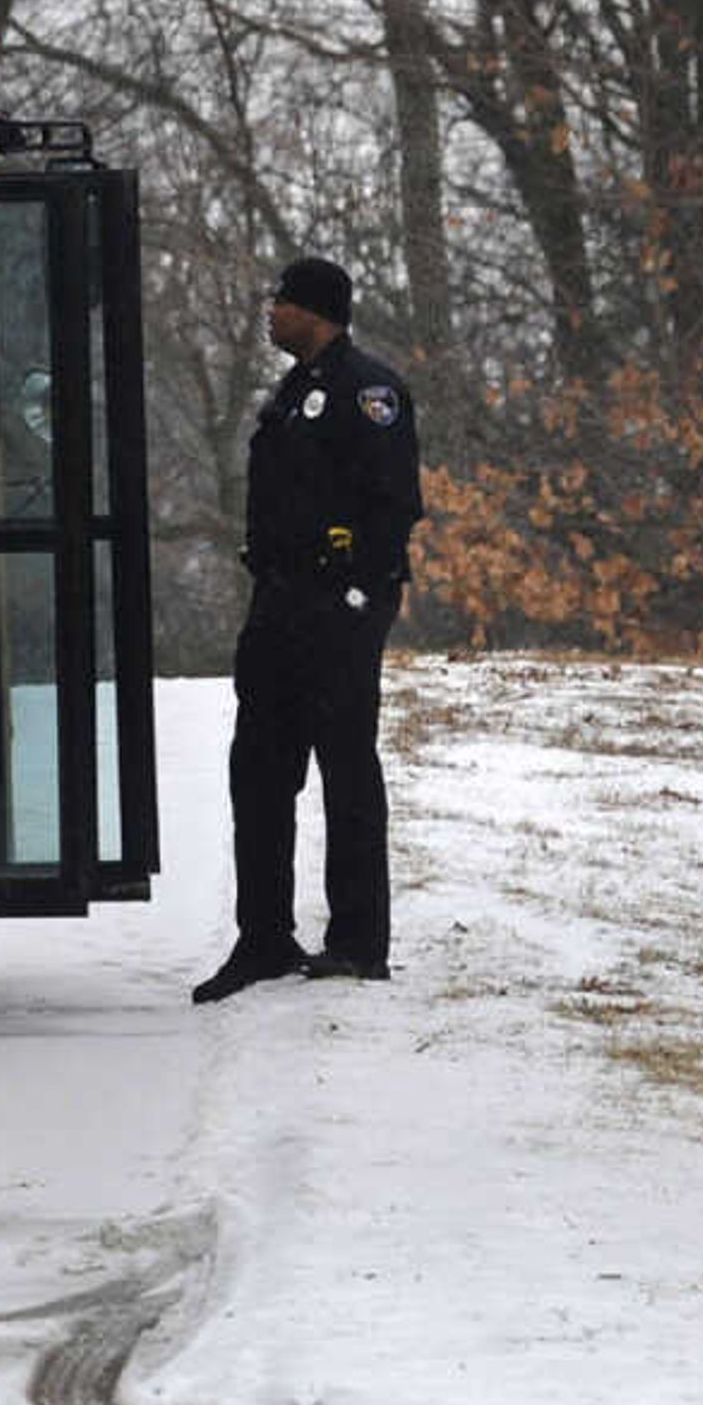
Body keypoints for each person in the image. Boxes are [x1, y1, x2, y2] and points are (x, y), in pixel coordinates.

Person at [193, 256, 426, 1004]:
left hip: (338, 609)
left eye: (281, 302)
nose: (270, 312)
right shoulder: (295, 391)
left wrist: (361, 592)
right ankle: (263, 937)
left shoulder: (369, 391)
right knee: (259, 769)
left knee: (346, 768)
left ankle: (358, 942)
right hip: (280, 604)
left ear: (315, 312)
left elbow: (394, 505)